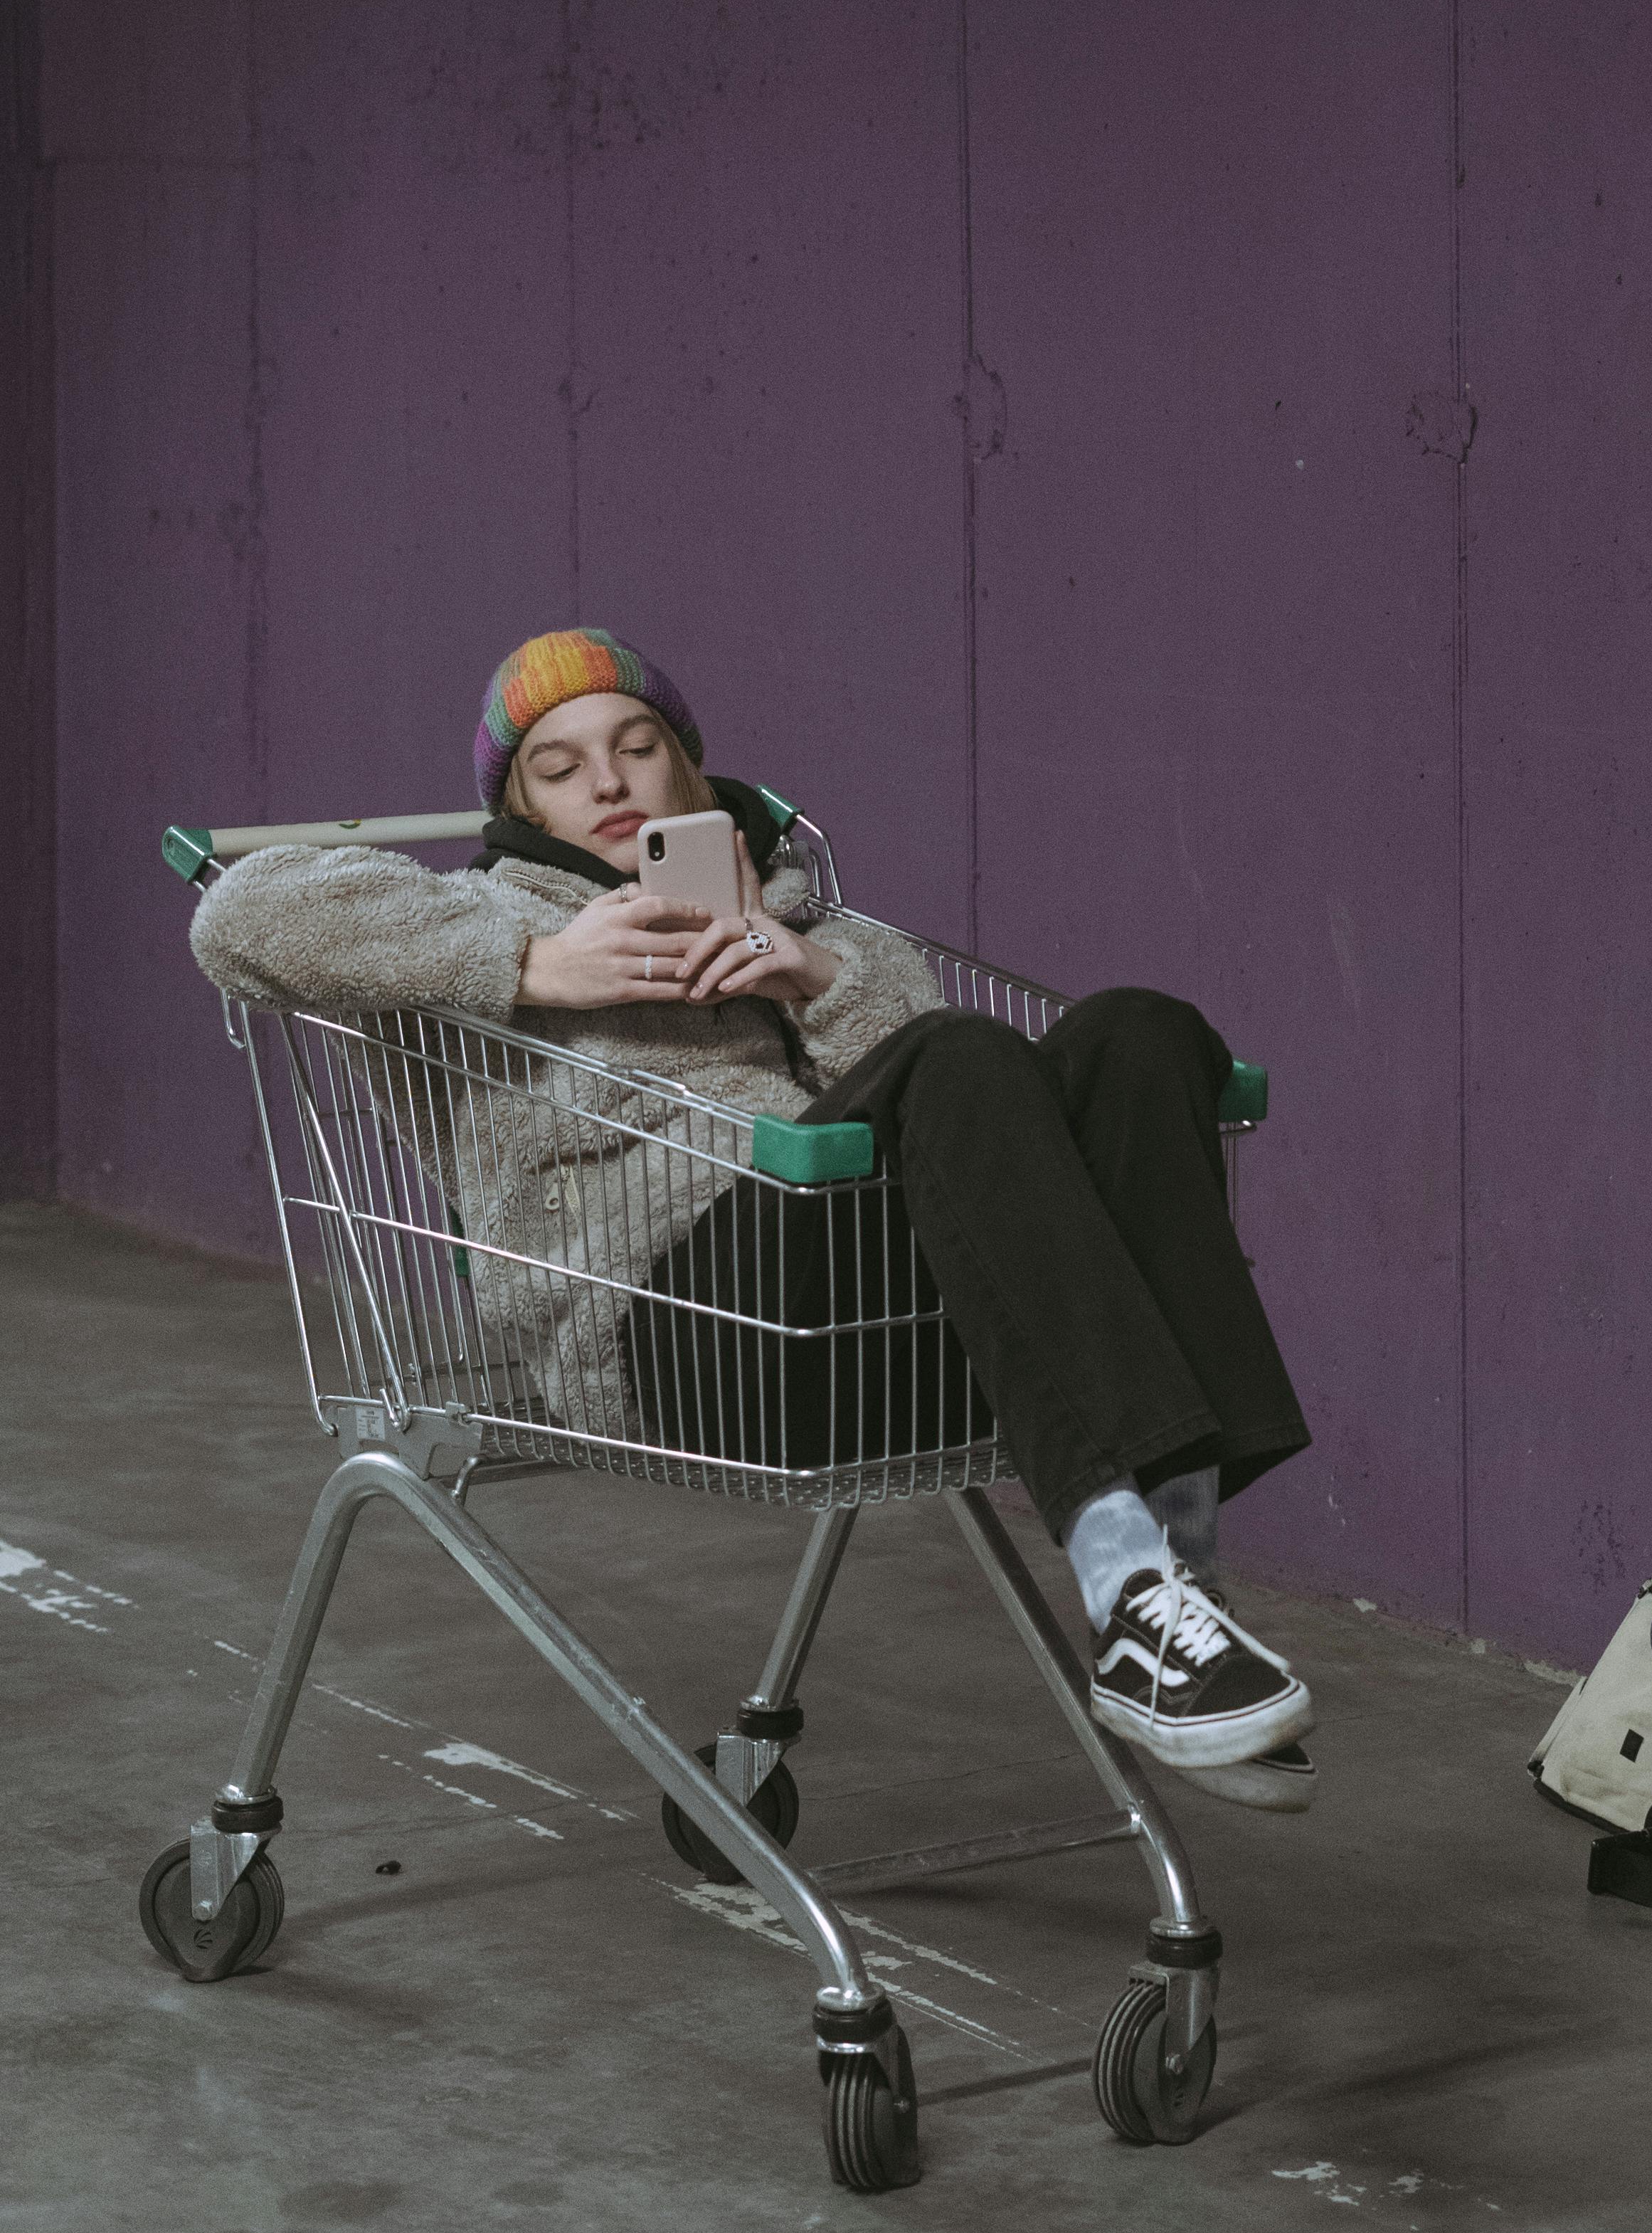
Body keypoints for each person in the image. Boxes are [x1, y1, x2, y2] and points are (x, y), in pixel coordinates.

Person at [189, 625, 1318, 1801]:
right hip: (672, 1324)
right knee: (963, 1057)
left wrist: (810, 977)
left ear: (689, 765)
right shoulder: (466, 924)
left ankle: (1169, 1583)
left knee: (1142, 1032)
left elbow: (975, 1130)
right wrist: (539, 962)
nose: (611, 783)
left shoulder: (809, 923)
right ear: (517, 804)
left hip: (860, 1318)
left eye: (637, 746)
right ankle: (1136, 1594)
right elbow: (240, 921)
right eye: (561, 767)